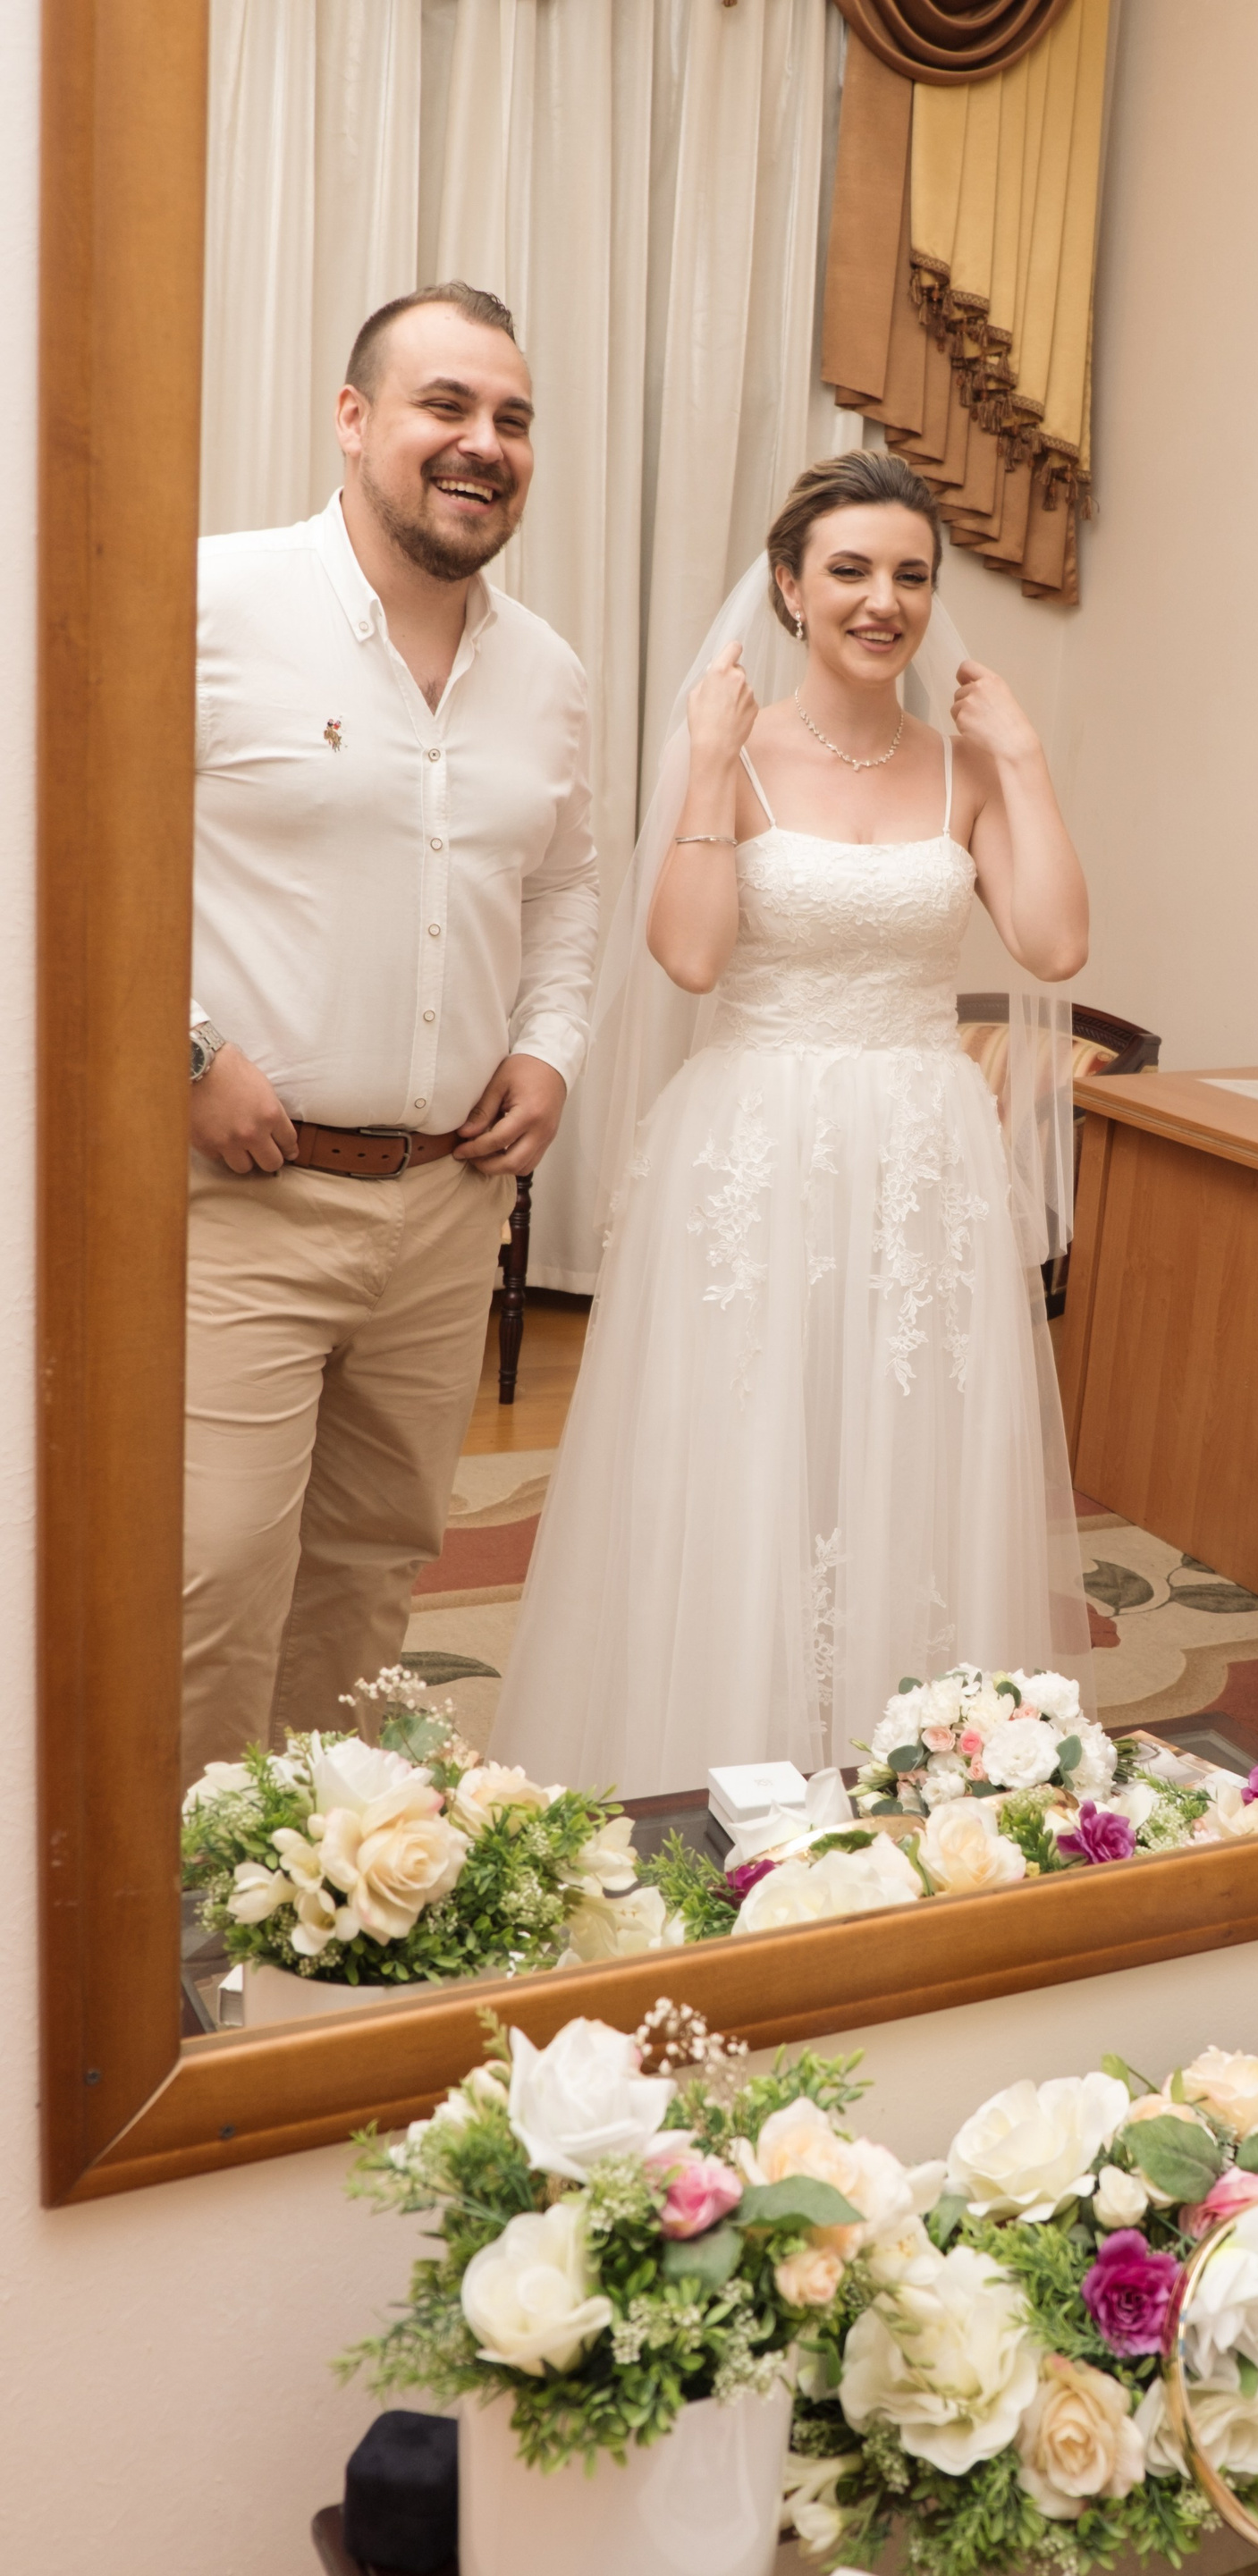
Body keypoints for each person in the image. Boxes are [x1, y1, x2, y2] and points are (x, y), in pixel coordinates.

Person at [490, 450, 1093, 1800]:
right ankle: (723, 1767)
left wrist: (1025, 759)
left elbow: (1055, 943)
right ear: (788, 587)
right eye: (851, 571)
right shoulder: (730, 752)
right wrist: (708, 766)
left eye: (911, 576)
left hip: (923, 1153)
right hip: (757, 1143)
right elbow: (692, 957)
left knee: (907, 1447)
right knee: (750, 1446)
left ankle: (905, 1766)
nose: (884, 601)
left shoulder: (964, 770)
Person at [182, 283, 599, 1782]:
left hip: (443, 1213)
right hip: (237, 1204)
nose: (484, 442)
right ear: (354, 420)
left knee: (369, 1578)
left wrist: (550, 1048)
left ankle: (318, 1874)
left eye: (512, 418)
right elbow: (67, 843)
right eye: (447, 405)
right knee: (209, 1578)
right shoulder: (213, 604)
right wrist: (183, 1052)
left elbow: (565, 890)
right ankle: (169, 1903)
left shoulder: (547, 674)